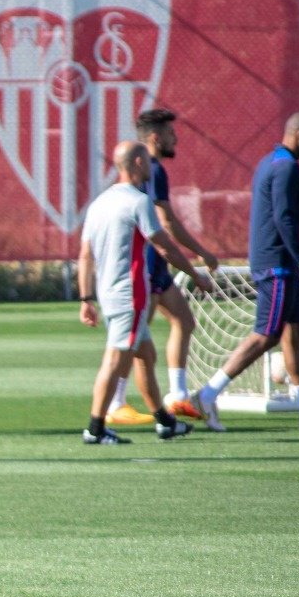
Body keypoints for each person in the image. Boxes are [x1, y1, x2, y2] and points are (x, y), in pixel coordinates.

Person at [196, 112, 299, 431]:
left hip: (283, 264)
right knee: (268, 335)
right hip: (276, 264)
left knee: (295, 332)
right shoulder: (286, 168)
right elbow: (284, 220)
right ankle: (207, 395)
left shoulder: (272, 161)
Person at [78, 140, 213, 445]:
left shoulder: (99, 203)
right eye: (148, 162)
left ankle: (165, 422)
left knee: (146, 355)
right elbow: (163, 246)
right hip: (131, 295)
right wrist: (195, 274)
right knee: (115, 359)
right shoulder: (138, 201)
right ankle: (95, 428)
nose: (152, 167)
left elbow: (85, 256)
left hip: (108, 293)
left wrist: (86, 299)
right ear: (139, 163)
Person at [104, 108, 221, 427]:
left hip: (154, 264)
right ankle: (116, 403)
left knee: (183, 320)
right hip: (145, 263)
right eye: (170, 134)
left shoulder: (149, 170)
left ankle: (177, 396)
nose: (176, 138)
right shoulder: (153, 170)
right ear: (156, 138)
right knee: (137, 340)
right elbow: (165, 221)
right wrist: (200, 253)